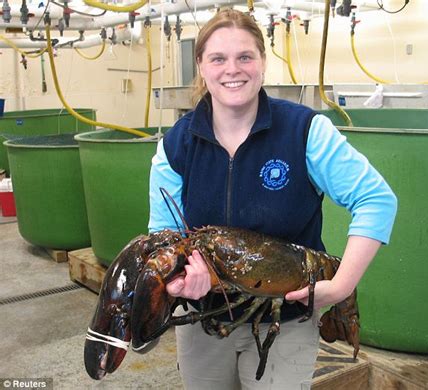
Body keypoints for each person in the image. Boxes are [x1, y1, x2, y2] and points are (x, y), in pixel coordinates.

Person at [148, 8, 397, 390]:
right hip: (201, 322)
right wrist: (177, 282)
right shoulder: (175, 145)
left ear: (263, 62)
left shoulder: (305, 130)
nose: (233, 69)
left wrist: (343, 284)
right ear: (201, 65)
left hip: (288, 322)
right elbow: (162, 236)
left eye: (245, 56)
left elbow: (376, 198)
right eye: (218, 58)